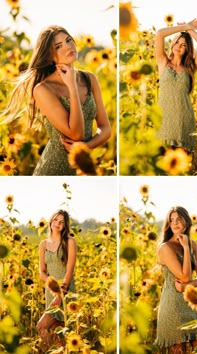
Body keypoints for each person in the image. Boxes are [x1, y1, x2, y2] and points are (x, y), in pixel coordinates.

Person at [2, 25, 111, 175]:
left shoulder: (89, 79)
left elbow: (106, 128)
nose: (68, 47)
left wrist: (86, 147)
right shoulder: (43, 89)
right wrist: (72, 86)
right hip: (53, 169)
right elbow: (76, 134)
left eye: (68, 40)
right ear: (50, 57)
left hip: (84, 168)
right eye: (58, 46)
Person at [155, 206, 197, 353]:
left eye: (179, 219)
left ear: (186, 222)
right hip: (173, 306)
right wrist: (185, 248)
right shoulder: (165, 247)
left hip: (190, 304)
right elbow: (185, 276)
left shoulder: (193, 244)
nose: (175, 223)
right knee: (179, 351)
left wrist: (186, 287)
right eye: (172, 220)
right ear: (168, 224)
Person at [155, 19, 197, 153]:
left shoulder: (190, 68)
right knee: (161, 166)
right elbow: (160, 34)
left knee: (181, 168)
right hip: (164, 121)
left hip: (184, 121)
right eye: (177, 42)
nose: (179, 46)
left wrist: (189, 30)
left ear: (187, 49)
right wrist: (184, 27)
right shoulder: (163, 62)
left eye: (183, 45)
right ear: (172, 44)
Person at [37, 209, 77, 346]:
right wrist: (53, 286)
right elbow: (42, 272)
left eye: (61, 222)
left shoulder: (70, 242)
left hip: (66, 291)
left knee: (42, 326)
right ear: (51, 221)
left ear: (65, 226)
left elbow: (69, 271)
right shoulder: (43, 244)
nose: (57, 224)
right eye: (55, 220)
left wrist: (60, 295)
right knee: (58, 333)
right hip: (51, 292)